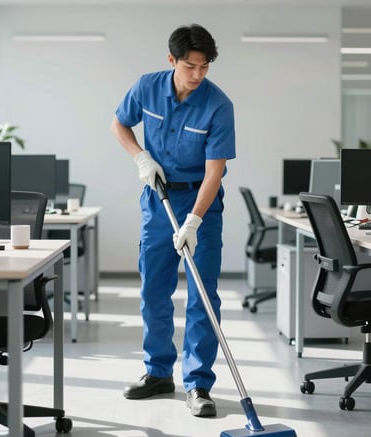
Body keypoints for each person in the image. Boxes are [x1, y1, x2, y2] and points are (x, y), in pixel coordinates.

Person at [111, 23, 235, 417]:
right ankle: (158, 373)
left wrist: (195, 221)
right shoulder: (147, 87)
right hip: (158, 199)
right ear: (172, 61)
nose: (197, 75)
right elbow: (120, 123)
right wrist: (140, 158)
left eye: (205, 66)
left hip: (202, 203)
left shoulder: (218, 105)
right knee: (154, 289)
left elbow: (214, 172)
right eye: (189, 66)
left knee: (202, 295)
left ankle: (198, 383)